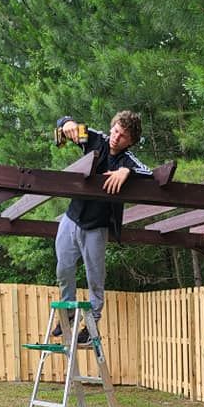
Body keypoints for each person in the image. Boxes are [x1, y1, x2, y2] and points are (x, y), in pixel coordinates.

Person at [53, 111, 153, 343]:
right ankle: (67, 313)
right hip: (72, 218)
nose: (117, 137)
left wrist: (125, 171)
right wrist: (67, 124)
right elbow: (60, 130)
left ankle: (91, 324)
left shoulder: (128, 160)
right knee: (63, 269)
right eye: (116, 131)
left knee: (95, 278)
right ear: (112, 128)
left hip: (97, 228)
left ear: (131, 141)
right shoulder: (96, 139)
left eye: (124, 135)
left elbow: (149, 174)